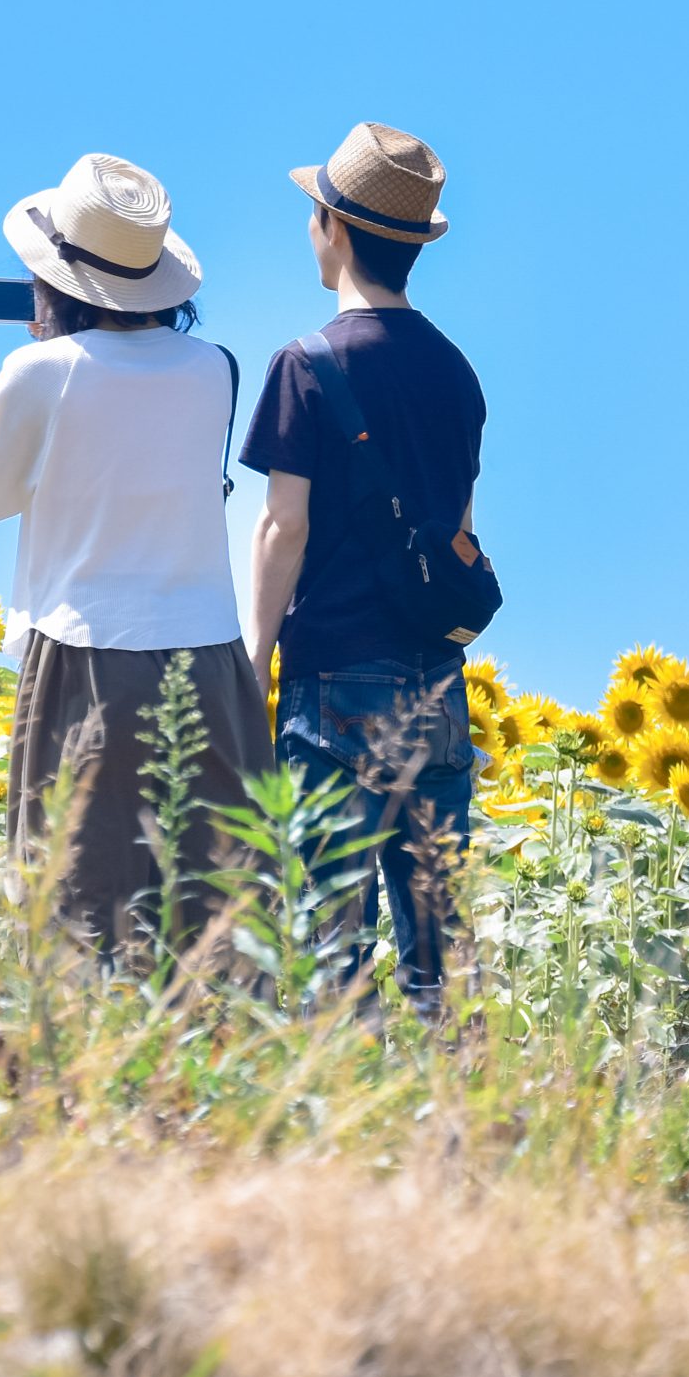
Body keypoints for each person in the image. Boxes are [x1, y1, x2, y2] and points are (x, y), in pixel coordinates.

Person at [0, 151, 268, 952]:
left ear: (56, 281)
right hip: (209, 661)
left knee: (80, 913)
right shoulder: (216, 369)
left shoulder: (40, 369)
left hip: (84, 655)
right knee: (213, 919)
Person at [240, 121, 489, 1016]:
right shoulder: (458, 374)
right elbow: (460, 532)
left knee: (329, 946)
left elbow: (284, 526)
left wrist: (253, 658)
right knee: (441, 955)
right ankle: (459, 1096)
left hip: (335, 685)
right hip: (439, 689)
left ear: (334, 229)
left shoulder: (305, 364)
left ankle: (344, 1101)